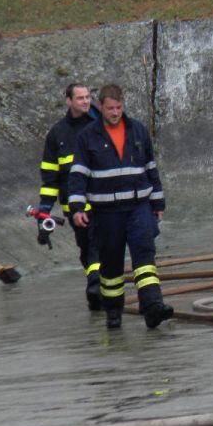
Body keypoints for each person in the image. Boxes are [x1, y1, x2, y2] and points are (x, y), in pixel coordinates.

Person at [68, 83, 173, 331]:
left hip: (138, 209)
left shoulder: (137, 130)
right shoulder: (88, 136)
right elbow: (78, 175)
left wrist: (158, 203)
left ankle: (152, 307)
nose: (115, 112)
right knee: (111, 266)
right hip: (106, 214)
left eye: (118, 107)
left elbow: (151, 169)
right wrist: (77, 207)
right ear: (100, 107)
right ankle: (113, 312)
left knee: (145, 258)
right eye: (110, 108)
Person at [38, 82, 101, 310]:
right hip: (72, 205)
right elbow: (49, 178)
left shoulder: (98, 125)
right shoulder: (57, 134)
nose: (86, 101)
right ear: (69, 101)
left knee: (97, 242)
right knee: (85, 247)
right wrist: (43, 213)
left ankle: (96, 285)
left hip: (99, 199)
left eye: (88, 97)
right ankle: (95, 287)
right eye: (80, 98)